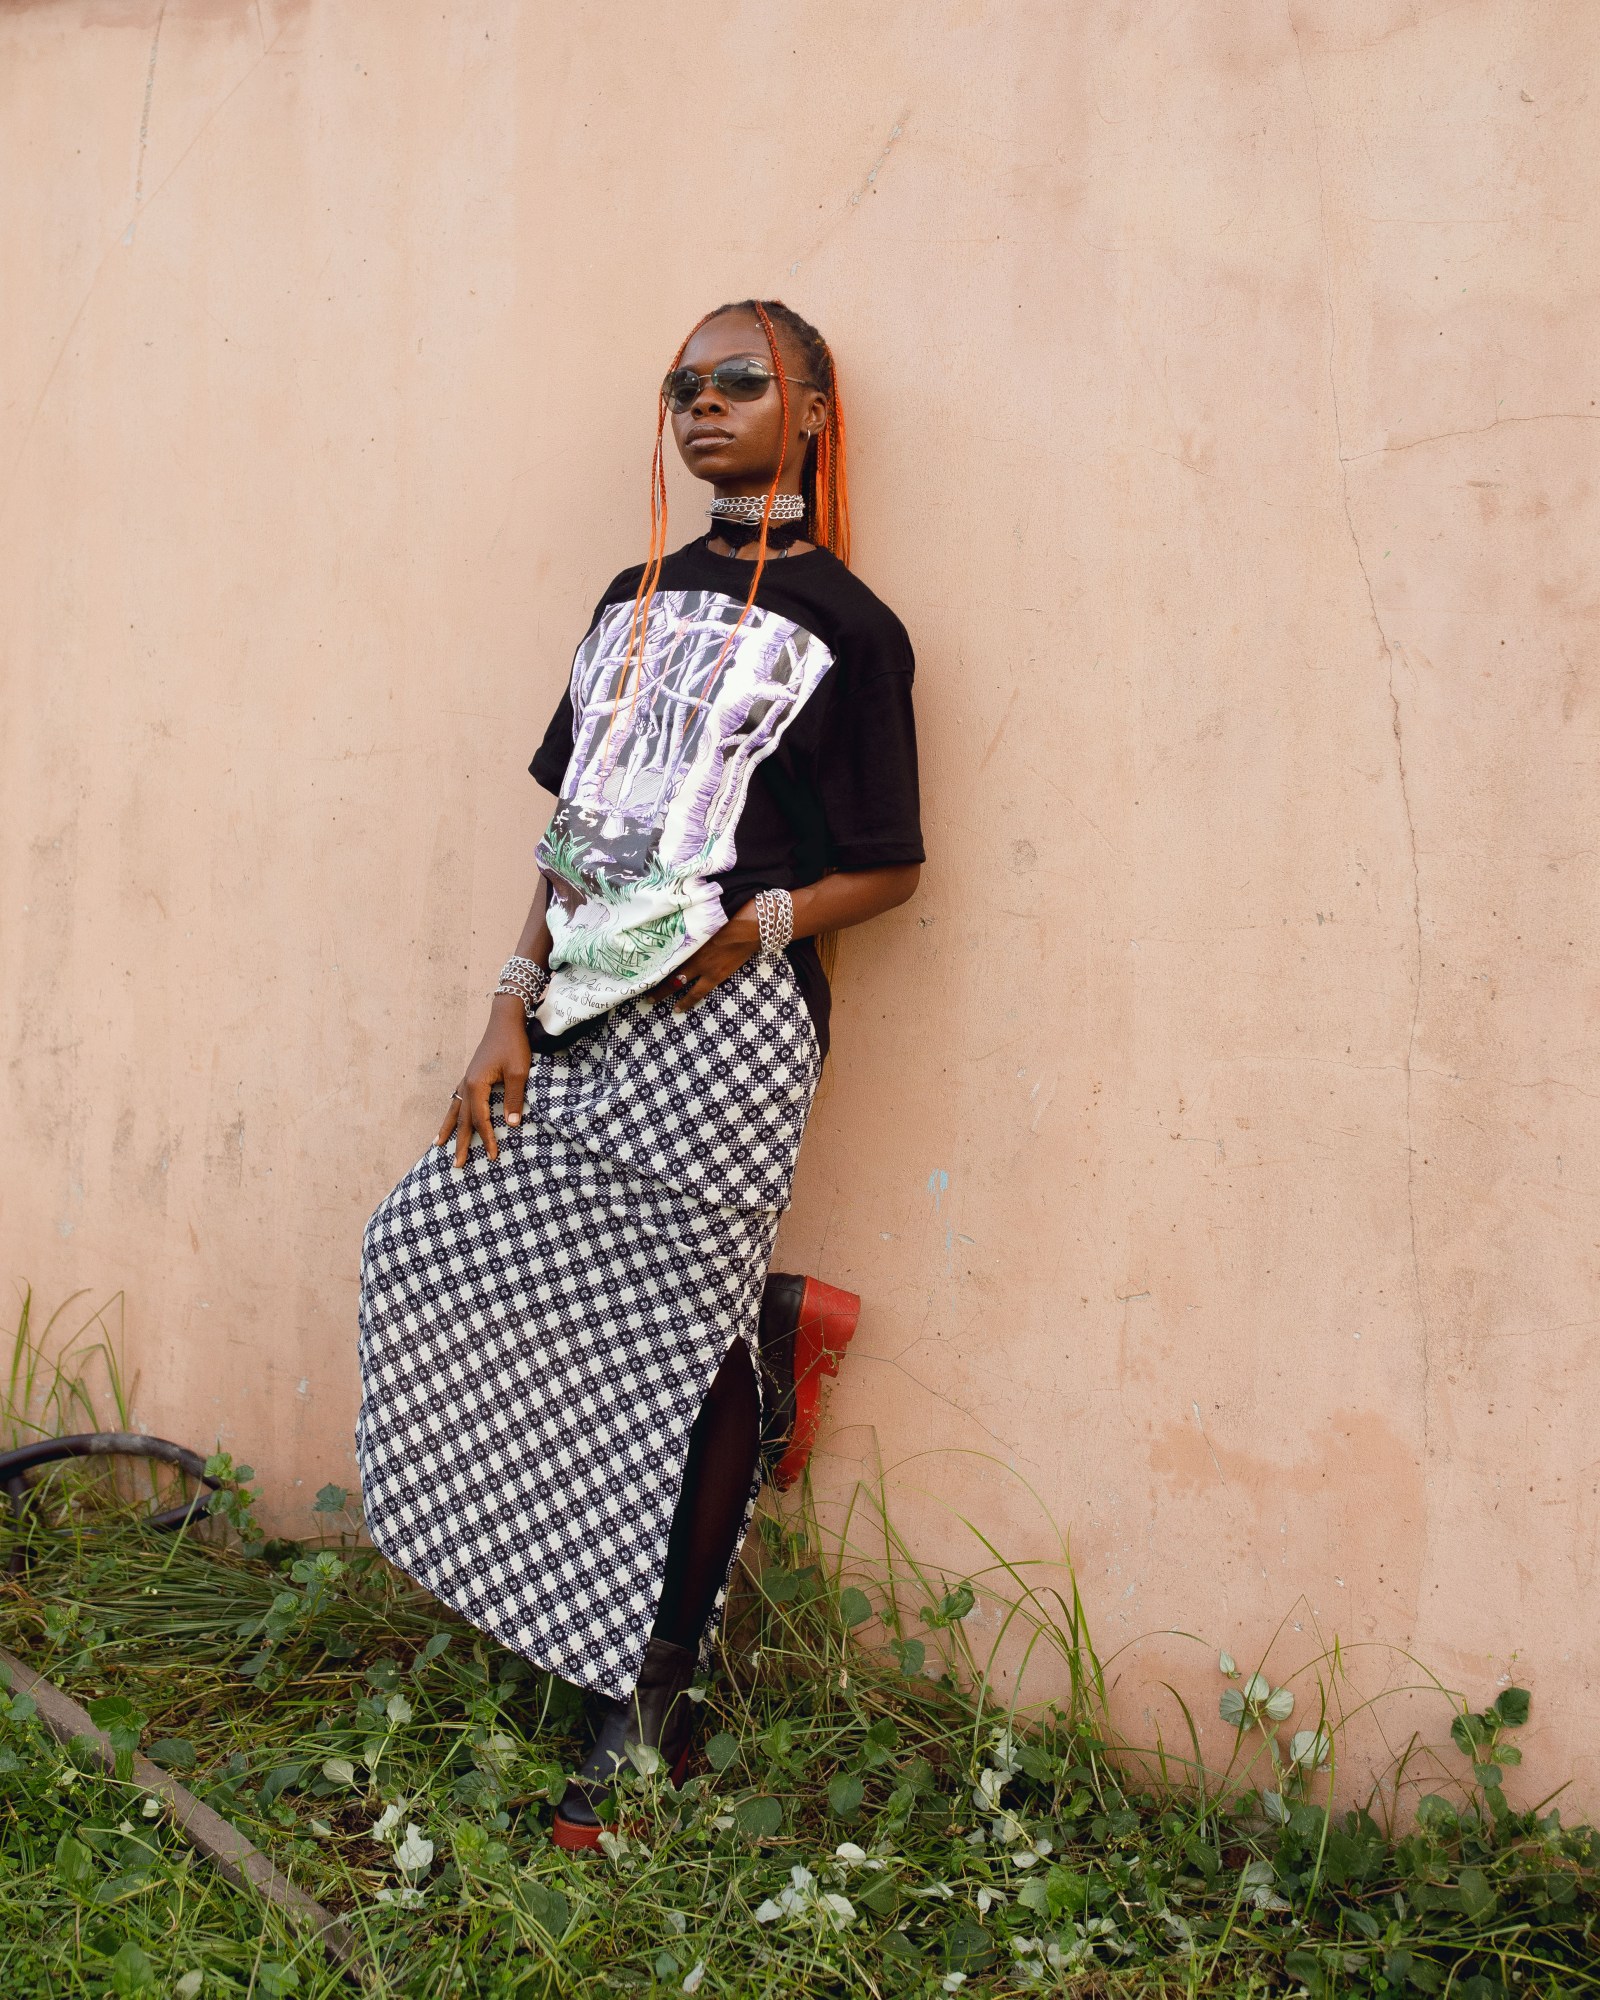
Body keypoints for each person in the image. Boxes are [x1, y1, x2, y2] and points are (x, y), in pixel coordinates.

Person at [355, 299, 924, 1848]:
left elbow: (893, 867)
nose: (702, 403)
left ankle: (650, 1698)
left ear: (811, 408)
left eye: (740, 381)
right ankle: (762, 1343)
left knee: (679, 1335)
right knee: (433, 1238)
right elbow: (577, 830)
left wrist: (759, 929)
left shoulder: (852, 631)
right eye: (682, 383)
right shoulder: (629, 600)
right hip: (582, 1009)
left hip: (735, 1030)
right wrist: (506, 1004)